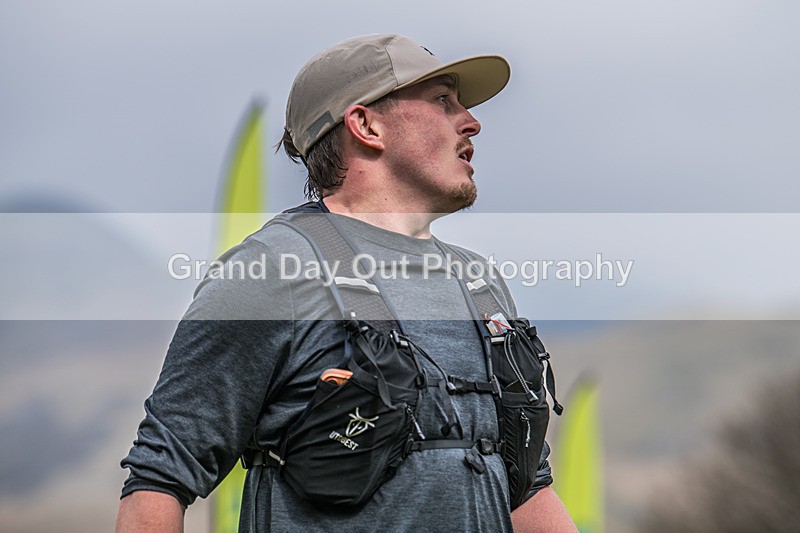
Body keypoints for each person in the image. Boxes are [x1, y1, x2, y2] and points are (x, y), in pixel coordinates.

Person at [116, 34, 577, 532]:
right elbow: (159, 478)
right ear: (365, 124)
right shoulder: (270, 273)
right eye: (443, 101)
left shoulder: (482, 286)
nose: (471, 121)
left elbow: (527, 483)